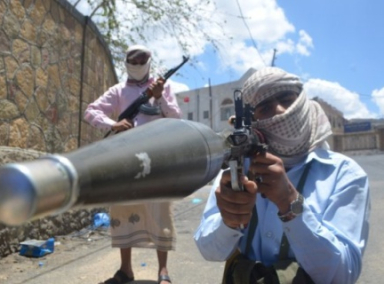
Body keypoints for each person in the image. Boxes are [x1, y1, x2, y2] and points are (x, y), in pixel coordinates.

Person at [194, 67, 370, 284]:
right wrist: (229, 222)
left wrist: (291, 203)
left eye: (287, 99)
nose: (279, 110)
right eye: (264, 107)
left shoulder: (344, 174)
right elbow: (209, 251)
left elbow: (343, 275)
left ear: (302, 101)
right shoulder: (236, 169)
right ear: (252, 122)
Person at [84, 45, 181, 284]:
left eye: (142, 60)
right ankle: (125, 269)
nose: (137, 65)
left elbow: (176, 119)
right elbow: (90, 111)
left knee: (160, 212)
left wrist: (158, 97)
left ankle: (163, 271)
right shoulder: (117, 91)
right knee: (123, 211)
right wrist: (112, 124)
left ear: (149, 61)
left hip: (157, 158)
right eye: (133, 61)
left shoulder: (163, 87)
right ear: (126, 62)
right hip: (126, 159)